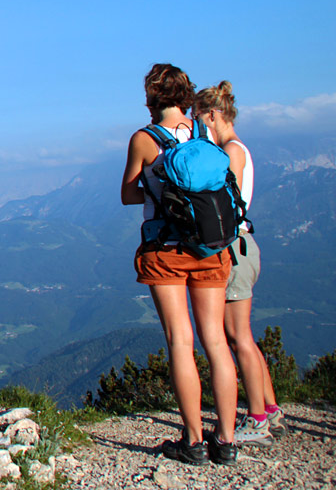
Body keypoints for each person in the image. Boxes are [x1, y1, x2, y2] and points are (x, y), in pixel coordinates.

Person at [121, 64, 238, 465]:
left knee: (180, 341)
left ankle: (191, 440)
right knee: (217, 342)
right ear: (187, 95)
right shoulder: (205, 134)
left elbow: (128, 194)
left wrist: (160, 190)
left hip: (166, 250)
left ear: (151, 98)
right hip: (210, 247)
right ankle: (226, 440)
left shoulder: (144, 138)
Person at [194, 81, 283, 445]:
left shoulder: (230, 151)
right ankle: (270, 408)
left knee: (237, 336)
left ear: (212, 115)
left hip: (233, 247)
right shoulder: (237, 147)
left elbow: (223, 201)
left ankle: (257, 416)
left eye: (199, 118)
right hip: (243, 246)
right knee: (241, 336)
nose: (198, 125)